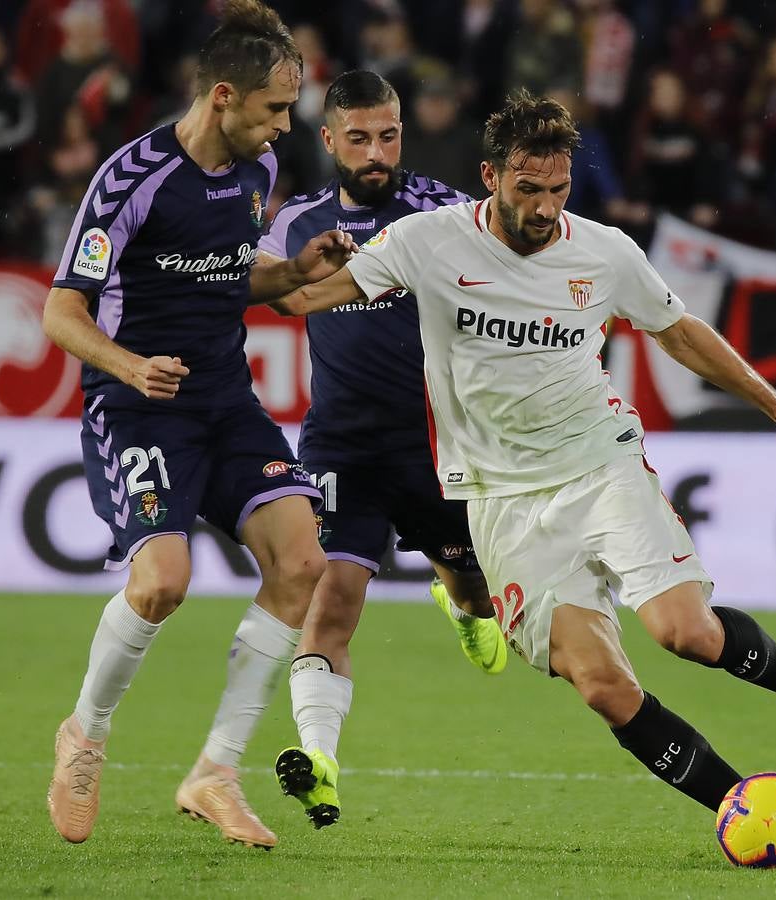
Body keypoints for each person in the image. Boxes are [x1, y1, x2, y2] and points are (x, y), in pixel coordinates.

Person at [271, 91, 776, 822]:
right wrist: (221, 277)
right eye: (526, 189)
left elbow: (678, 331)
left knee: (686, 634)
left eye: (557, 189)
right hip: (500, 502)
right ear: (490, 177)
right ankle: (741, 808)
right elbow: (303, 299)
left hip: (598, 466)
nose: (543, 208)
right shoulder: (424, 241)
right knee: (601, 685)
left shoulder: (602, 251)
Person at [41, 0, 356, 850]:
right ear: (223, 96)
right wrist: (126, 364)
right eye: (274, 111)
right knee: (161, 584)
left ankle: (215, 770)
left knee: (302, 562)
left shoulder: (256, 172)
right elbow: (61, 312)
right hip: (138, 406)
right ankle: (86, 736)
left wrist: (290, 270)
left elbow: (225, 275)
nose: (285, 128)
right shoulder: (131, 179)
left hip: (226, 400)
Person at [259, 70, 505, 829]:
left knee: (476, 592)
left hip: (438, 441)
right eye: (358, 138)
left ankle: (464, 605)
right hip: (340, 443)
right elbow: (253, 285)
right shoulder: (295, 223)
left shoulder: (445, 211)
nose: (375, 152)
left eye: (388, 135)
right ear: (327, 139)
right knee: (328, 603)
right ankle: (320, 762)